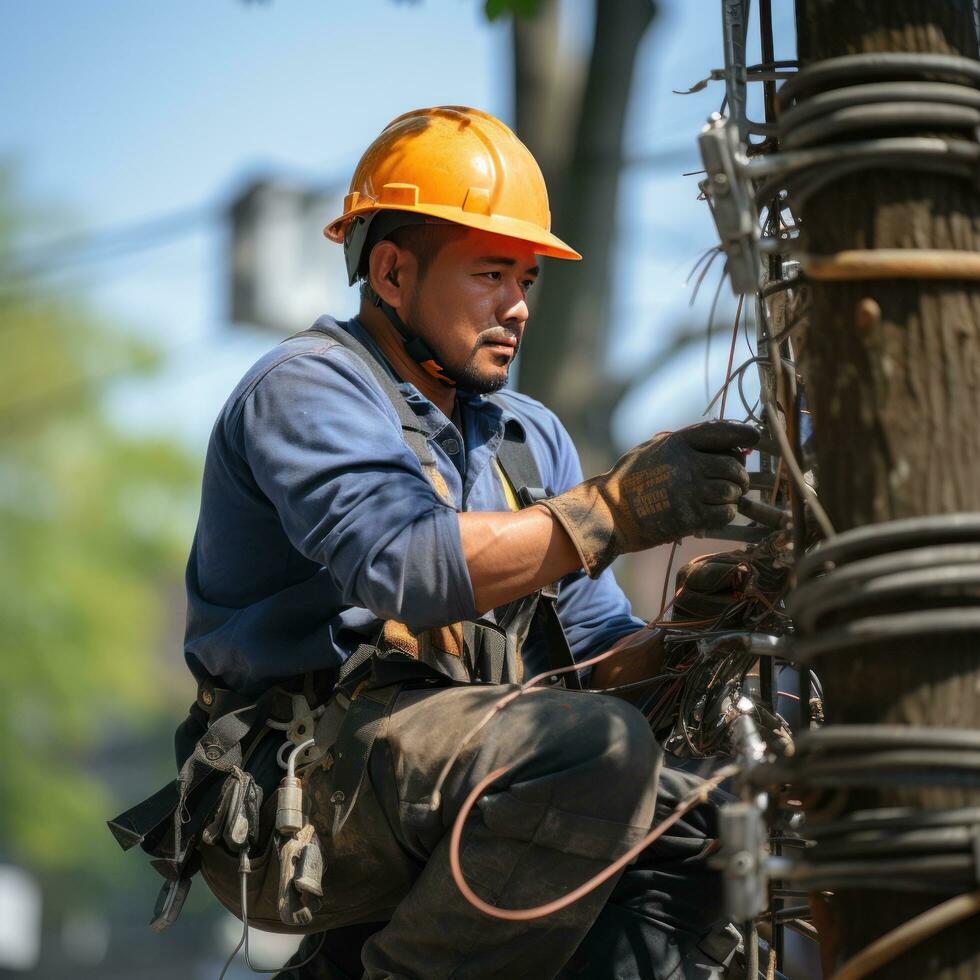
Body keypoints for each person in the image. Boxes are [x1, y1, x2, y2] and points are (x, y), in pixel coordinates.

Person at [112, 106, 757, 979]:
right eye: (492, 273)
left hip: (452, 775)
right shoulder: (308, 390)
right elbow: (403, 565)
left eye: (528, 277)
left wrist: (689, 634)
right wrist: (614, 510)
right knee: (591, 751)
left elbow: (600, 663)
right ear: (389, 271)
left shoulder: (528, 439)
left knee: (704, 822)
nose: (519, 305)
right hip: (296, 792)